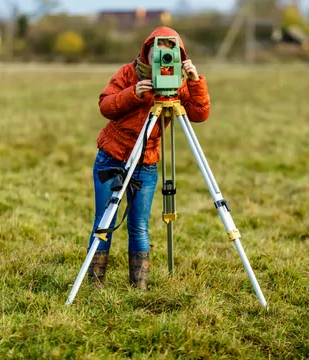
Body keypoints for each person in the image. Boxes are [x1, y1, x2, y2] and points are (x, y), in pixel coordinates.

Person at [87, 26, 211, 289]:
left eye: (169, 54)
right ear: (147, 52)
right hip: (112, 157)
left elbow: (199, 114)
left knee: (139, 226)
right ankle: (94, 283)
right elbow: (105, 106)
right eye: (158, 53)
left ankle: (139, 285)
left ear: (178, 55)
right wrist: (133, 93)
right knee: (103, 222)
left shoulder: (179, 82)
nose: (163, 60)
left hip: (146, 162)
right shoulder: (128, 73)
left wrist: (194, 80)